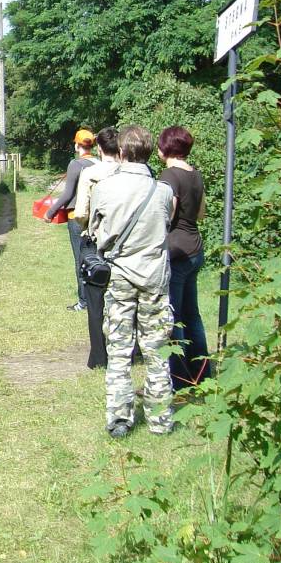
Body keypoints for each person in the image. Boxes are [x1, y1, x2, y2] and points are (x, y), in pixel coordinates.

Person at [86, 125, 175, 437]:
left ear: (121, 152)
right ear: (149, 152)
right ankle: (161, 420)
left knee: (120, 350)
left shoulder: (105, 188)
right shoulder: (164, 191)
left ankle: (120, 419)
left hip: (120, 276)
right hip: (155, 278)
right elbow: (167, 222)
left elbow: (94, 230)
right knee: (157, 350)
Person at [158, 125, 211, 390]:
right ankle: (203, 372)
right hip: (195, 248)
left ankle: (178, 377)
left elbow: (167, 215)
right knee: (193, 314)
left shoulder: (169, 175)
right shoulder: (196, 174)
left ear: (165, 147)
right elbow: (200, 213)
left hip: (177, 251)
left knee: (174, 315)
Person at [70, 126, 121, 369]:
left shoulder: (92, 174)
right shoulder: (130, 171)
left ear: (100, 148)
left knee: (96, 298)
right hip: (126, 244)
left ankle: (99, 355)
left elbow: (81, 212)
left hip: (98, 241)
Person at [44, 129, 98, 312]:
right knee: (96, 257)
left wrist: (50, 212)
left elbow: (67, 194)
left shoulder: (75, 164)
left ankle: (83, 301)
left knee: (80, 259)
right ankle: (97, 296)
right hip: (95, 218)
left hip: (76, 217)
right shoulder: (99, 163)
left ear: (77, 145)